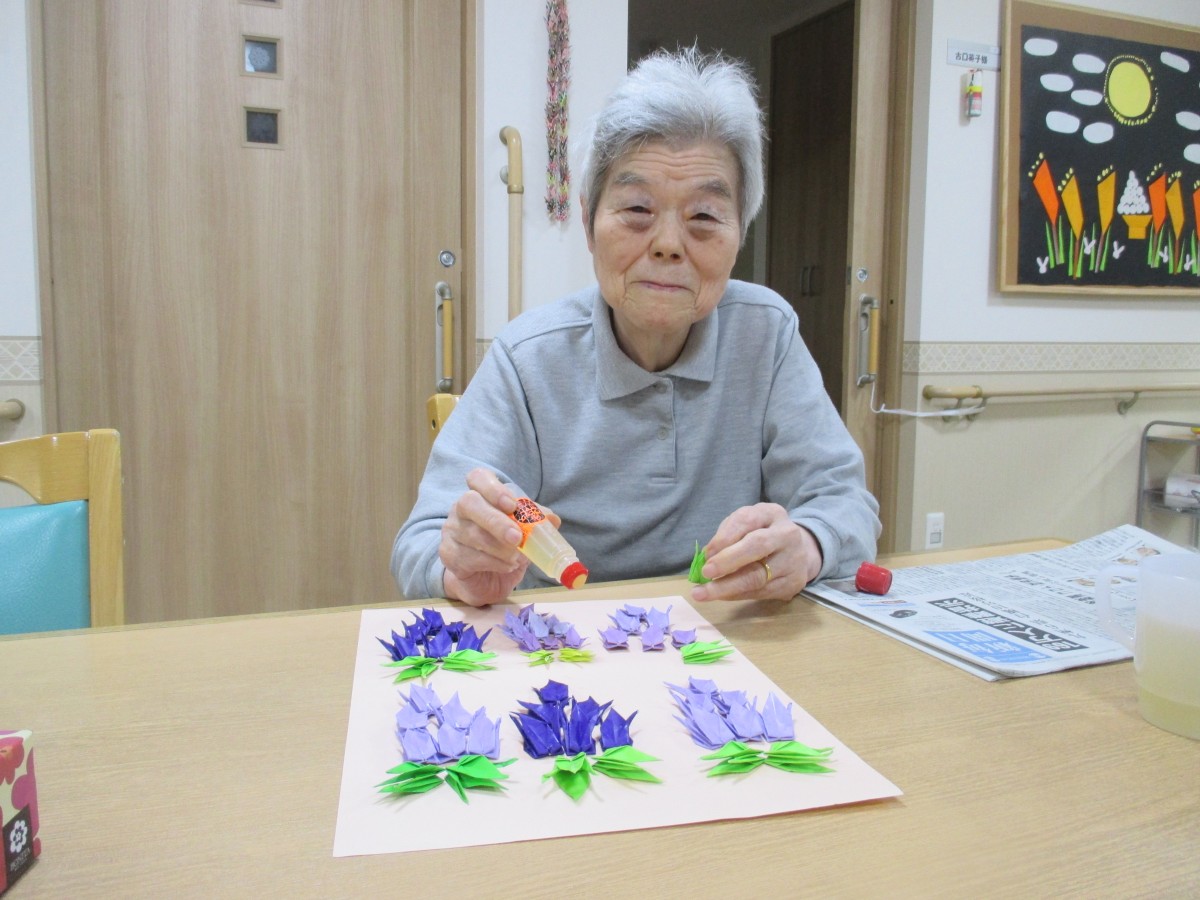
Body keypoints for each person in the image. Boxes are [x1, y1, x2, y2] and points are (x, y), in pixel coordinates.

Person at [392, 47, 880, 607]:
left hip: (725, 631)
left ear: (739, 235)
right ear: (588, 222)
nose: (668, 244)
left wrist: (810, 543)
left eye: (704, 216)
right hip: (564, 641)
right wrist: (460, 566)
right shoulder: (527, 358)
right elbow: (420, 542)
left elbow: (845, 503)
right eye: (637, 211)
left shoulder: (766, 334)